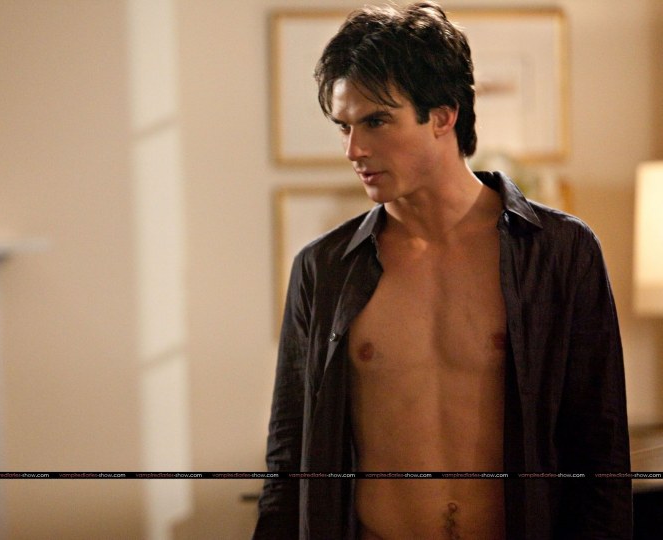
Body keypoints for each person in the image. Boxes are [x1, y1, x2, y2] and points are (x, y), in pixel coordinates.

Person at [254, 2, 632, 539]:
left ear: (443, 115)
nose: (353, 149)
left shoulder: (560, 252)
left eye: (376, 121)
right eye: (343, 126)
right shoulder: (324, 269)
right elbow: (288, 460)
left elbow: (601, 453)